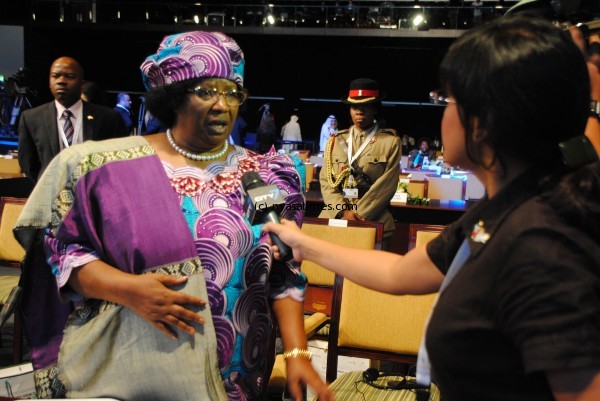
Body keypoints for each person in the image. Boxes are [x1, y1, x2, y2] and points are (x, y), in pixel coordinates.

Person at [265, 16, 600, 401]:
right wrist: (303, 243)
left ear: (484, 121)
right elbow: (400, 272)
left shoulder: (543, 243)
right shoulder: (502, 210)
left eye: (448, 99)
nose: (441, 110)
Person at [14, 32, 332, 401]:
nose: (222, 104)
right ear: (174, 95)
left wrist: (296, 353)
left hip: (240, 373)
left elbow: (285, 272)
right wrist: (128, 289)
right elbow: (61, 254)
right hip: (138, 371)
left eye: (232, 92)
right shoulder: (106, 168)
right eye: (206, 91)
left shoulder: (263, 174)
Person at [319, 78, 401, 250]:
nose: (359, 111)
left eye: (366, 106)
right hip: (336, 216)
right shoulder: (334, 141)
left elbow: (387, 185)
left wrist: (357, 216)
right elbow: (326, 182)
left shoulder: (390, 142)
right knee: (321, 273)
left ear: (375, 109)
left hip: (373, 218)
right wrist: (342, 212)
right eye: (355, 106)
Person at [17, 57, 128, 182]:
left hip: (94, 196)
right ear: (49, 81)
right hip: (51, 196)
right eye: (55, 76)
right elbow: (27, 163)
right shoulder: (31, 118)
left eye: (69, 76)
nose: (61, 81)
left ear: (82, 84)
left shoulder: (108, 118)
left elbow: (119, 162)